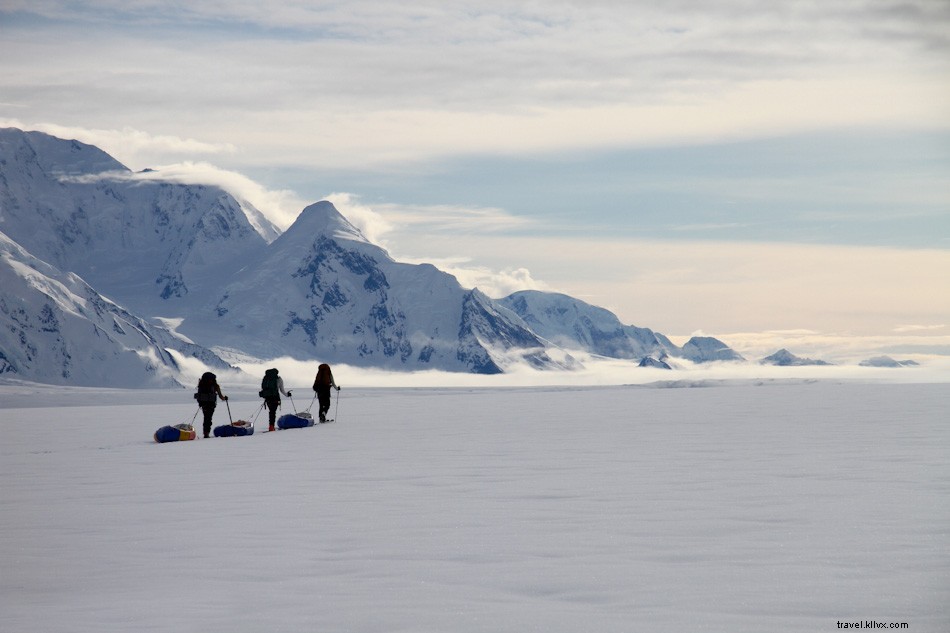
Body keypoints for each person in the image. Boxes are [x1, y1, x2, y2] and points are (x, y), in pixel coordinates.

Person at [194, 372, 228, 438]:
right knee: (208, 418)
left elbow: (198, 395)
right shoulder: (215, 386)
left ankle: (206, 432)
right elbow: (221, 396)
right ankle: (206, 433)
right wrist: (225, 398)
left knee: (206, 417)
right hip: (211, 405)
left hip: (204, 405)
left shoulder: (201, 385)